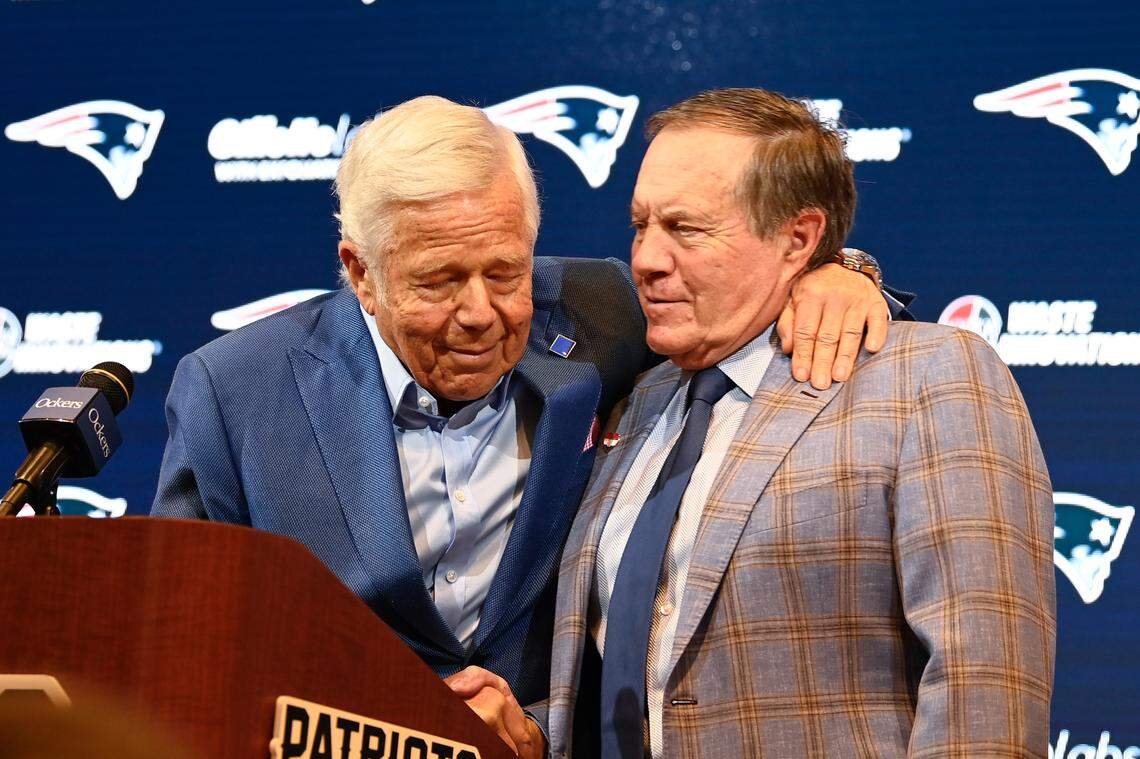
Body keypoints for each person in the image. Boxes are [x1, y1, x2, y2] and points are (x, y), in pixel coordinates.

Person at [151, 95, 910, 707]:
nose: (482, 312)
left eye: (506, 270)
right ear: (361, 272)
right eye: (440, 280)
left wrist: (840, 272)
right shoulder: (236, 391)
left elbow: (741, 291)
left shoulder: (600, 309)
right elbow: (183, 645)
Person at [448, 88, 1055, 758]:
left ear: (798, 238)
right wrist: (537, 730)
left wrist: (849, 271)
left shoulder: (928, 377)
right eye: (641, 224)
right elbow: (645, 675)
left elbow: (986, 688)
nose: (646, 259)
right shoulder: (639, 401)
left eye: (685, 229)